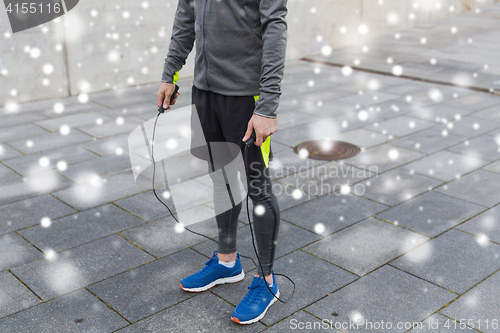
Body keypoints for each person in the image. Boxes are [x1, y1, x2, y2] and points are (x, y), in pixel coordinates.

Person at [157, 0, 287, 325]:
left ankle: (267, 282)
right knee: (221, 179)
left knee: (258, 188)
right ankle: (228, 262)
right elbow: (186, 16)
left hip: (247, 97)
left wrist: (268, 105)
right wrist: (169, 73)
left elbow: (275, 26)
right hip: (204, 91)